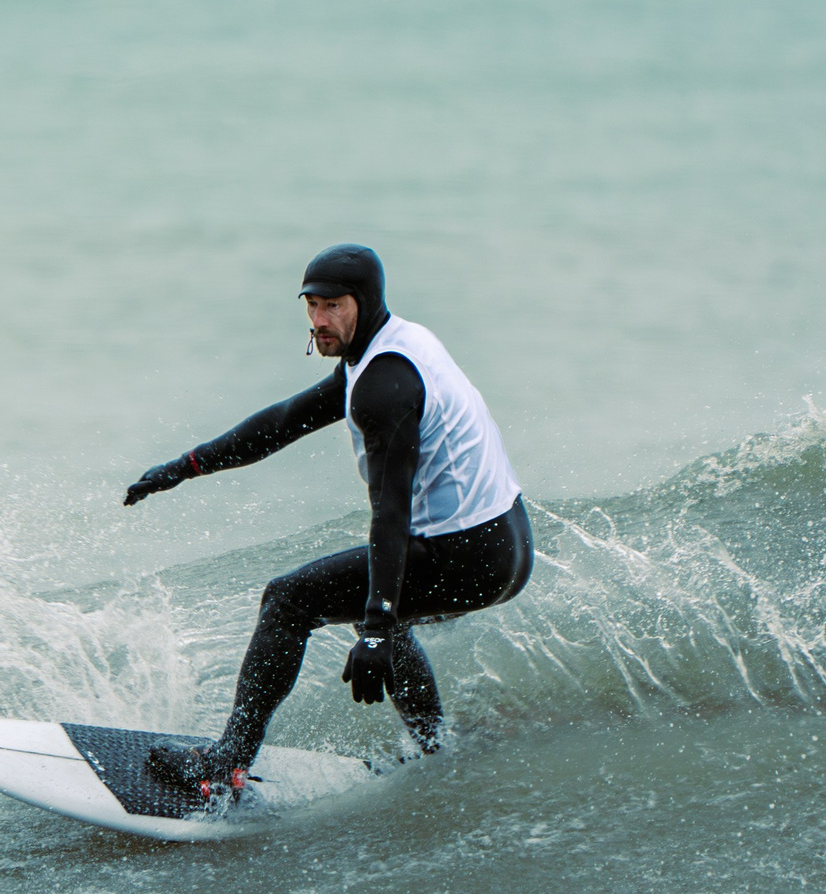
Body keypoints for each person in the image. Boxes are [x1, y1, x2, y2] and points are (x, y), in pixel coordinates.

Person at [122, 244, 531, 789]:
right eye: (311, 305)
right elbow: (286, 420)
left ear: (363, 303)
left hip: (469, 558)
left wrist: (379, 629)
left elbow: (391, 512)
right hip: (506, 541)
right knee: (375, 599)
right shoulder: (393, 346)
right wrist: (187, 465)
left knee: (290, 599)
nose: (319, 320)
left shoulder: (386, 389)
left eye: (333, 306)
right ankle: (437, 747)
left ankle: (226, 764)